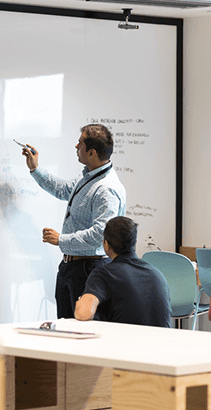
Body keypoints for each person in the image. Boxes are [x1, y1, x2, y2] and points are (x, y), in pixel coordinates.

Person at [22, 124, 126, 319]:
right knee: (66, 327)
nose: (75, 146)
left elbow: (99, 235)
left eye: (80, 143)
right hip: (71, 267)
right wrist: (35, 168)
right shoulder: (88, 177)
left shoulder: (107, 189)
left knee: (84, 330)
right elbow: (62, 190)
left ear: (92, 152)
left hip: (89, 270)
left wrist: (62, 240)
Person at [74, 216, 171, 327]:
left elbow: (84, 313)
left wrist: (80, 302)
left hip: (126, 342)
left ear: (106, 244)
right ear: (135, 243)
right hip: (162, 342)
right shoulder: (156, 273)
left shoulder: (104, 274)